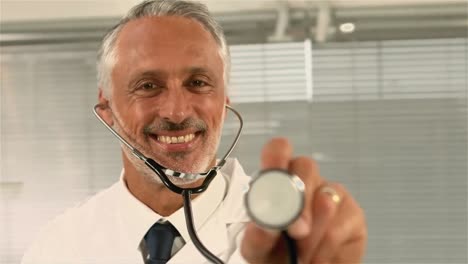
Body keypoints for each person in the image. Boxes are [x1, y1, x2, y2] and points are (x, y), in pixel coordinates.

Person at [22, 0, 367, 263]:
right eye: (148, 85)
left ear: (224, 97)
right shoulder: (57, 247)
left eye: (198, 83)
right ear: (108, 108)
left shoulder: (286, 239)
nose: (177, 111)